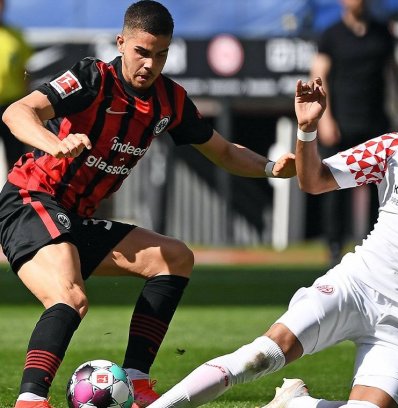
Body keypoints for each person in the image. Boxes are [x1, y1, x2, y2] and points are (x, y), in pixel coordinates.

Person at [147, 64, 398, 408]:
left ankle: (299, 404)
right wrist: (307, 130)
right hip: (355, 284)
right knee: (260, 355)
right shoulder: (393, 149)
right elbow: (315, 181)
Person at [0, 1, 295, 408]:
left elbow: (223, 151)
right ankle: (31, 400)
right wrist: (56, 143)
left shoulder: (169, 101)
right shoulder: (92, 78)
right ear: (121, 43)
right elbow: (18, 112)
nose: (149, 64)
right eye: (141, 51)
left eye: (161, 54)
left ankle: (136, 383)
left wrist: (269, 168)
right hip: (31, 200)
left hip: (74, 219)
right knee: (70, 298)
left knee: (174, 258)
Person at [310, 0, 395, 266]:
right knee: (336, 185)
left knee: (377, 188)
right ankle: (334, 245)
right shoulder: (331, 34)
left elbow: (394, 74)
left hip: (375, 122)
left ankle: (372, 243)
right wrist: (325, 119)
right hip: (341, 124)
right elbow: (319, 75)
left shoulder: (383, 33)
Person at [0, 0, 33, 178]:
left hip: (10, 104)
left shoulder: (15, 35)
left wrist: (26, 105)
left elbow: (24, 72)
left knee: (16, 158)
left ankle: (12, 201)